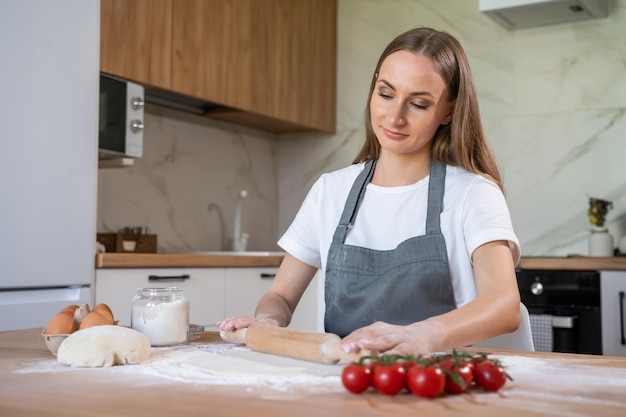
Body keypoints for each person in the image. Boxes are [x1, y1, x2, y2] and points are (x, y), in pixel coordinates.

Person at [217, 27, 521, 356]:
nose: (395, 116)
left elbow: (504, 304)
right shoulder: (330, 191)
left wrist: (424, 335)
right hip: (352, 381)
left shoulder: (472, 193)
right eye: (386, 94)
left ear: (448, 110)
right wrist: (267, 320)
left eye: (418, 104)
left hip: (443, 383)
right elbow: (281, 295)